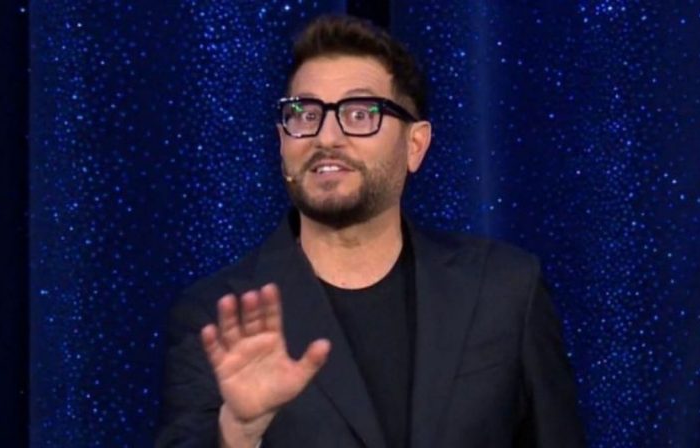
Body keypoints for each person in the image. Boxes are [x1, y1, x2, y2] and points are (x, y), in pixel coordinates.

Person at [156, 14, 585, 448]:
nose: (326, 137)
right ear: (282, 140)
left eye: (360, 113)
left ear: (415, 145)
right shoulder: (217, 316)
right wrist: (238, 432)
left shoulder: (505, 290)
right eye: (304, 114)